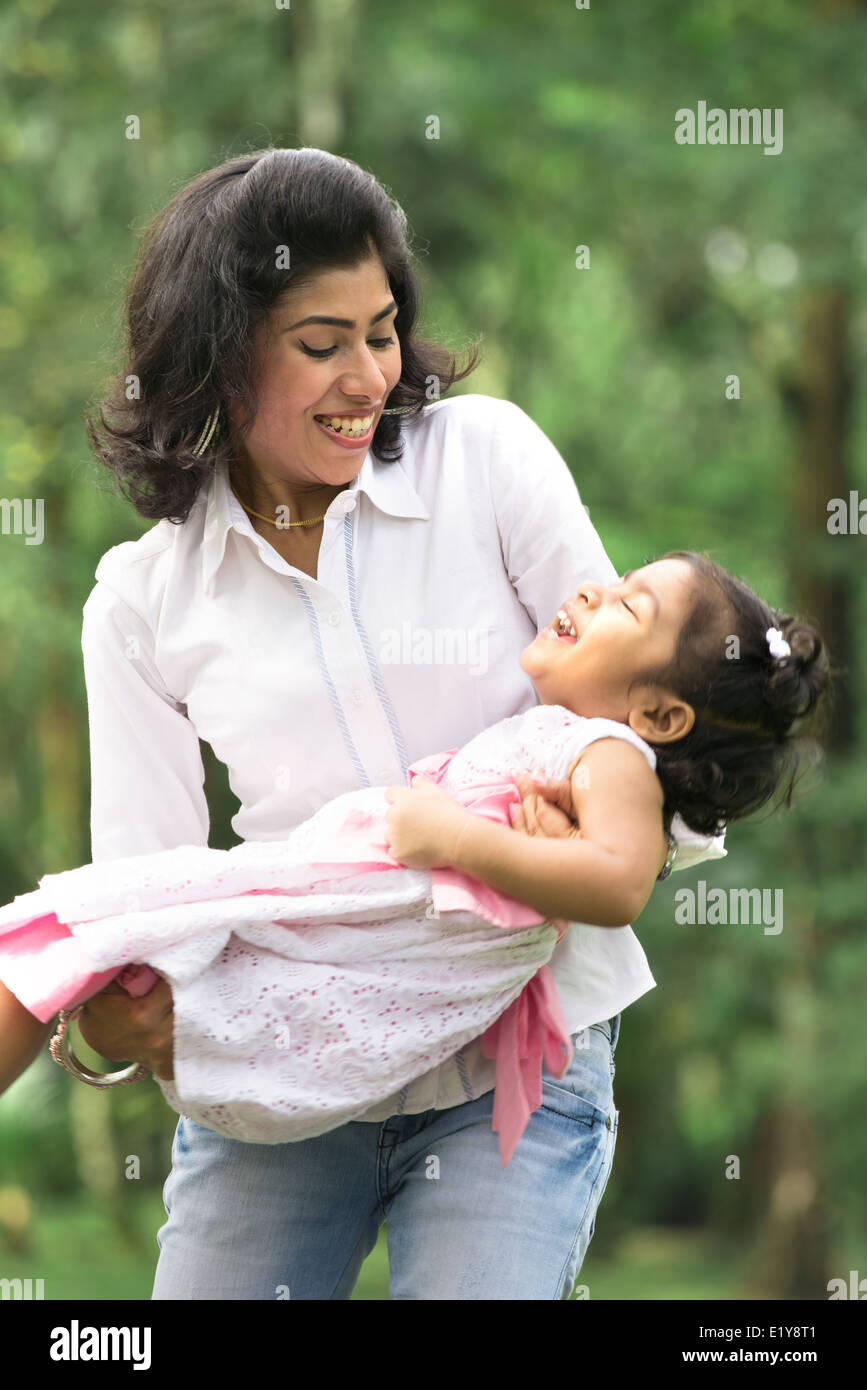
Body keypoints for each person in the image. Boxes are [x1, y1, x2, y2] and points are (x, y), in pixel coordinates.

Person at [0, 146, 800, 1300]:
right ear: (221, 362)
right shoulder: (142, 600)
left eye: (382, 331)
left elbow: (649, 727)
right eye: (322, 345)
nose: (369, 373)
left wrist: (520, 851)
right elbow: (152, 892)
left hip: (516, 1066)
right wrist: (119, 1029)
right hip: (283, 1079)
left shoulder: (488, 463)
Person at [0, 553, 829, 1174]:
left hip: (366, 921)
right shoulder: (562, 742)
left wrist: (459, 841)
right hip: (339, 902)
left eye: (626, 605)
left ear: (657, 712)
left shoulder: (607, 752)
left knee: (76, 939)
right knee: (86, 949)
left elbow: (616, 884)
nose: (588, 589)